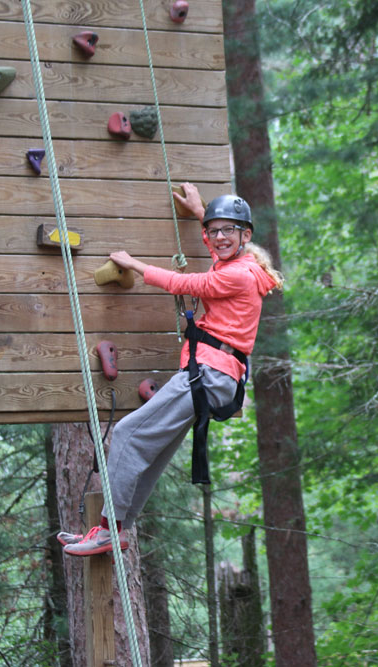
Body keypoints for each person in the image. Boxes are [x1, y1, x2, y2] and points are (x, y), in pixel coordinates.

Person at [59, 183, 283, 556]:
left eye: (229, 230)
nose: (219, 237)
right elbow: (219, 249)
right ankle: (117, 528)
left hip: (209, 374)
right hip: (216, 376)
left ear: (246, 235)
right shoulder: (243, 264)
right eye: (214, 230)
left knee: (129, 434)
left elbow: (184, 282)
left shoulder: (238, 275)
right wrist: (201, 212)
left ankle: (108, 530)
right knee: (153, 450)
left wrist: (134, 265)